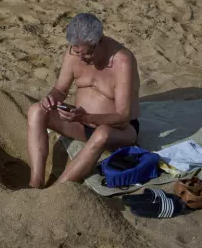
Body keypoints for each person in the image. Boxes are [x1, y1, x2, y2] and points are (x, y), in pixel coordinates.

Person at [26, 13, 141, 188]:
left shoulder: (122, 61)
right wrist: (51, 99)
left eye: (86, 54)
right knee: (36, 110)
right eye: (76, 52)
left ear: (100, 41)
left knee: (102, 133)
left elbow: (123, 116)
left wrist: (86, 117)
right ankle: (35, 183)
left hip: (118, 131)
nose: (80, 58)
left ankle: (58, 188)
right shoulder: (74, 52)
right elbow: (60, 90)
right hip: (81, 124)